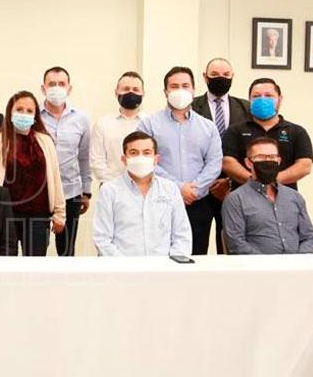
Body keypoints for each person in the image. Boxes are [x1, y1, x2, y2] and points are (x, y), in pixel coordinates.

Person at [138, 67, 222, 255]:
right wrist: (178, 188)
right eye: (174, 86)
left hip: (197, 202)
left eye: (185, 86)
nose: (180, 90)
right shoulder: (148, 124)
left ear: (193, 90)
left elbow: (214, 162)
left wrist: (194, 190)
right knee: (159, 256)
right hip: (160, 200)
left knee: (196, 256)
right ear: (165, 91)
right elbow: (147, 160)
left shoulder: (208, 127)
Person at [0, 91, 66, 256]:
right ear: (10, 112)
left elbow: (55, 177)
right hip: (6, 215)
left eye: (29, 111)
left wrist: (60, 213)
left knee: (35, 266)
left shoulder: (45, 140)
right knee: (6, 263)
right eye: (19, 109)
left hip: (38, 216)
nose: (24, 114)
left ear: (36, 115)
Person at [92, 131, 192, 257]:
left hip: (163, 266)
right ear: (124, 159)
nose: (140, 158)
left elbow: (182, 235)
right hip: (122, 266)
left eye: (146, 153)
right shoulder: (109, 190)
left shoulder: (170, 189)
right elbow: (102, 238)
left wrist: (172, 264)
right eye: (134, 153)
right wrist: (124, 265)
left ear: (156, 159)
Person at [190, 58, 250, 253]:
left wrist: (230, 180)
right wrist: (206, 181)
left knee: (231, 248)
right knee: (196, 247)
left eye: (225, 75)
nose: (220, 78)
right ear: (205, 77)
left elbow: (249, 148)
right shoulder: (191, 107)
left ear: (232, 76)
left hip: (234, 188)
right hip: (199, 189)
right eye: (214, 75)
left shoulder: (246, 108)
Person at [221, 137, 313, 254]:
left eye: (272, 157)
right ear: (248, 163)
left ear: (279, 161)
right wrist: (268, 262)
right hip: (256, 264)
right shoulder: (236, 199)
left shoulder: (295, 197)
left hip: (298, 263)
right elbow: (236, 244)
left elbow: (309, 238)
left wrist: (298, 259)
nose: (267, 161)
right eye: (260, 157)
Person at [222, 78, 313, 190]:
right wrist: (253, 182)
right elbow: (227, 162)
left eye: (268, 95)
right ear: (250, 100)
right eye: (256, 96)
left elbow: (305, 165)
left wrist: (273, 181)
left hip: (283, 195)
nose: (262, 99)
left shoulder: (296, 131)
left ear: (280, 99)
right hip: (244, 194)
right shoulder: (235, 130)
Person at [39, 66, 91, 257]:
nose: (57, 88)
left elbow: (84, 156)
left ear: (69, 88)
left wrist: (86, 191)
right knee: (37, 247)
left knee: (67, 250)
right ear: (43, 88)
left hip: (71, 192)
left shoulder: (81, 119)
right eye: (52, 84)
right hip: (40, 193)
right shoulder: (34, 116)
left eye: (61, 84)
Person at [91, 71, 144, 184]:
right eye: (126, 89)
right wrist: (116, 185)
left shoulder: (150, 123)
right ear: (116, 93)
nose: (131, 92)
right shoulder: (103, 123)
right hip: (110, 187)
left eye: (135, 89)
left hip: (144, 187)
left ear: (143, 93)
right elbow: (96, 161)